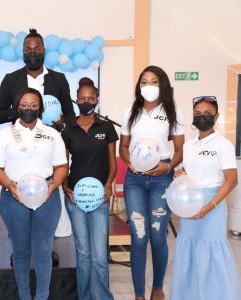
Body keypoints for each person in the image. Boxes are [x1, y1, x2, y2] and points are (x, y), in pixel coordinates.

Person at [0, 28, 75, 265]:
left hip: (46, 149)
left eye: (37, 48)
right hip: (19, 149)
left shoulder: (58, 79)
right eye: (28, 49)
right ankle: (20, 250)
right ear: (22, 51)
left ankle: (44, 250)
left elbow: (70, 115)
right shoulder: (11, 79)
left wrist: (60, 123)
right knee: (19, 206)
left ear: (44, 51)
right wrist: (24, 111)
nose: (33, 52)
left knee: (45, 208)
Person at [0, 87, 68, 300]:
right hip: (14, 196)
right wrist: (9, 185)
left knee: (44, 251)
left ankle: (42, 297)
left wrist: (55, 184)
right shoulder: (4, 135)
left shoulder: (52, 134)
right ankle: (24, 296)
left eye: (34, 105)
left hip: (46, 195)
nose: (28, 109)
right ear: (17, 107)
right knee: (21, 251)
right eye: (24, 105)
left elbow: (62, 165)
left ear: (40, 108)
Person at [119, 65, 184, 300]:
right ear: (139, 86)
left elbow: (179, 149)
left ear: (162, 84)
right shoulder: (130, 112)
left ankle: (157, 289)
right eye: (144, 82)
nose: (149, 86)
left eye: (154, 81)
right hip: (135, 179)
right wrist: (129, 163)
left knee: (157, 235)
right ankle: (138, 294)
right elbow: (123, 147)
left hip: (162, 179)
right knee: (138, 236)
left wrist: (167, 167)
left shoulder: (172, 111)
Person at [170, 96, 241, 300]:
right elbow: (187, 172)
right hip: (190, 205)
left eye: (208, 114)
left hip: (213, 205)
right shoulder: (189, 146)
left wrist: (210, 206)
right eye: (198, 114)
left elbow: (232, 180)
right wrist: (180, 175)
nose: (202, 118)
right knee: (189, 250)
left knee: (213, 252)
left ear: (216, 116)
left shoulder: (223, 145)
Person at [61, 78, 117, 300]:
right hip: (76, 197)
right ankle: (85, 297)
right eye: (82, 99)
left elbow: (113, 162)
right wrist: (66, 188)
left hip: (99, 199)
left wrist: (107, 186)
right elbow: (63, 164)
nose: (87, 102)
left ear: (97, 100)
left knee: (100, 256)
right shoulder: (69, 129)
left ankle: (102, 297)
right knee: (83, 254)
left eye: (91, 99)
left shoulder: (107, 127)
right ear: (76, 100)